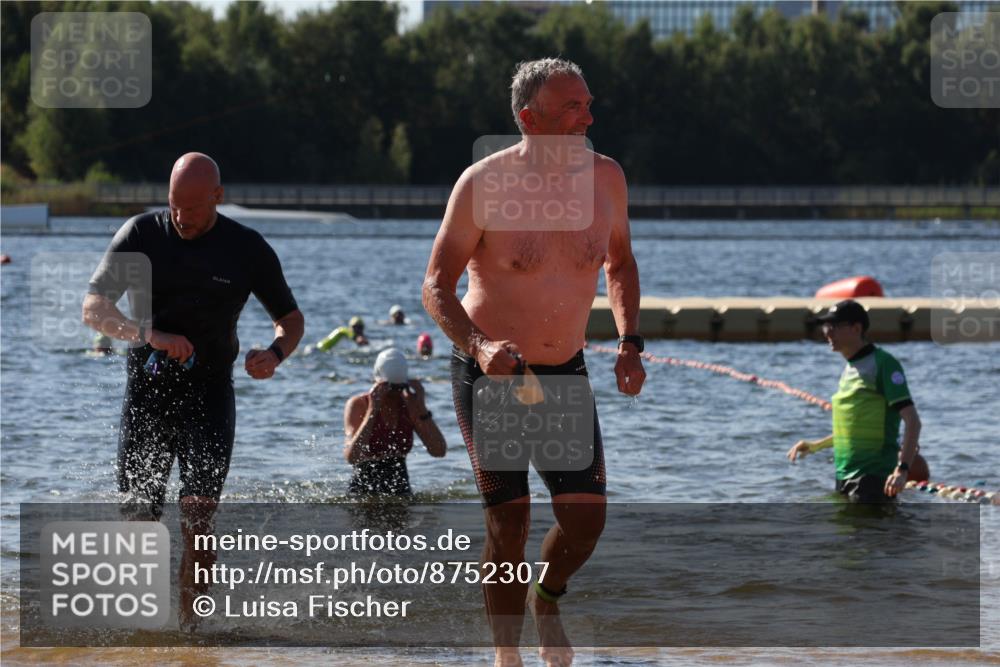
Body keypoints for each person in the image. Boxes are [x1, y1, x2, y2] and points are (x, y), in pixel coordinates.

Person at [422, 58, 645, 667]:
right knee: (510, 519)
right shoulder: (483, 184)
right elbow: (436, 286)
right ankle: (506, 656)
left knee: (585, 523)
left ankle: (547, 598)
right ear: (529, 118)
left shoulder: (607, 180)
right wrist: (480, 346)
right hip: (495, 371)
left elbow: (619, 265)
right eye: (572, 107)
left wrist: (629, 342)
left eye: (588, 104)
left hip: (564, 368)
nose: (588, 117)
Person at [81, 152, 305, 629]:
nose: (181, 217)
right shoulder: (141, 235)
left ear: (218, 198)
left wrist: (274, 354)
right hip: (147, 397)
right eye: (173, 205)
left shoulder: (246, 248)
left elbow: (290, 320)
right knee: (140, 521)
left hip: (209, 398)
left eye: (194, 207)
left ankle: (191, 633)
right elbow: (93, 307)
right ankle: (142, 628)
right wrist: (149, 335)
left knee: (199, 522)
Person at [787, 299, 921, 503]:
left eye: (834, 326)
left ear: (857, 328)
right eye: (826, 326)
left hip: (873, 478)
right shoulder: (850, 368)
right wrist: (816, 446)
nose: (827, 333)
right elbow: (855, 428)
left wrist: (902, 470)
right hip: (845, 476)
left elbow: (912, 421)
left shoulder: (884, 364)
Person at [343, 348, 446, 495]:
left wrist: (421, 408)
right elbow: (351, 457)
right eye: (388, 388)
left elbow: (439, 451)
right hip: (363, 490)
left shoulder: (409, 405)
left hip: (401, 489)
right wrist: (372, 411)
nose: (393, 395)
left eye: (399, 388)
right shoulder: (359, 405)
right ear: (376, 383)